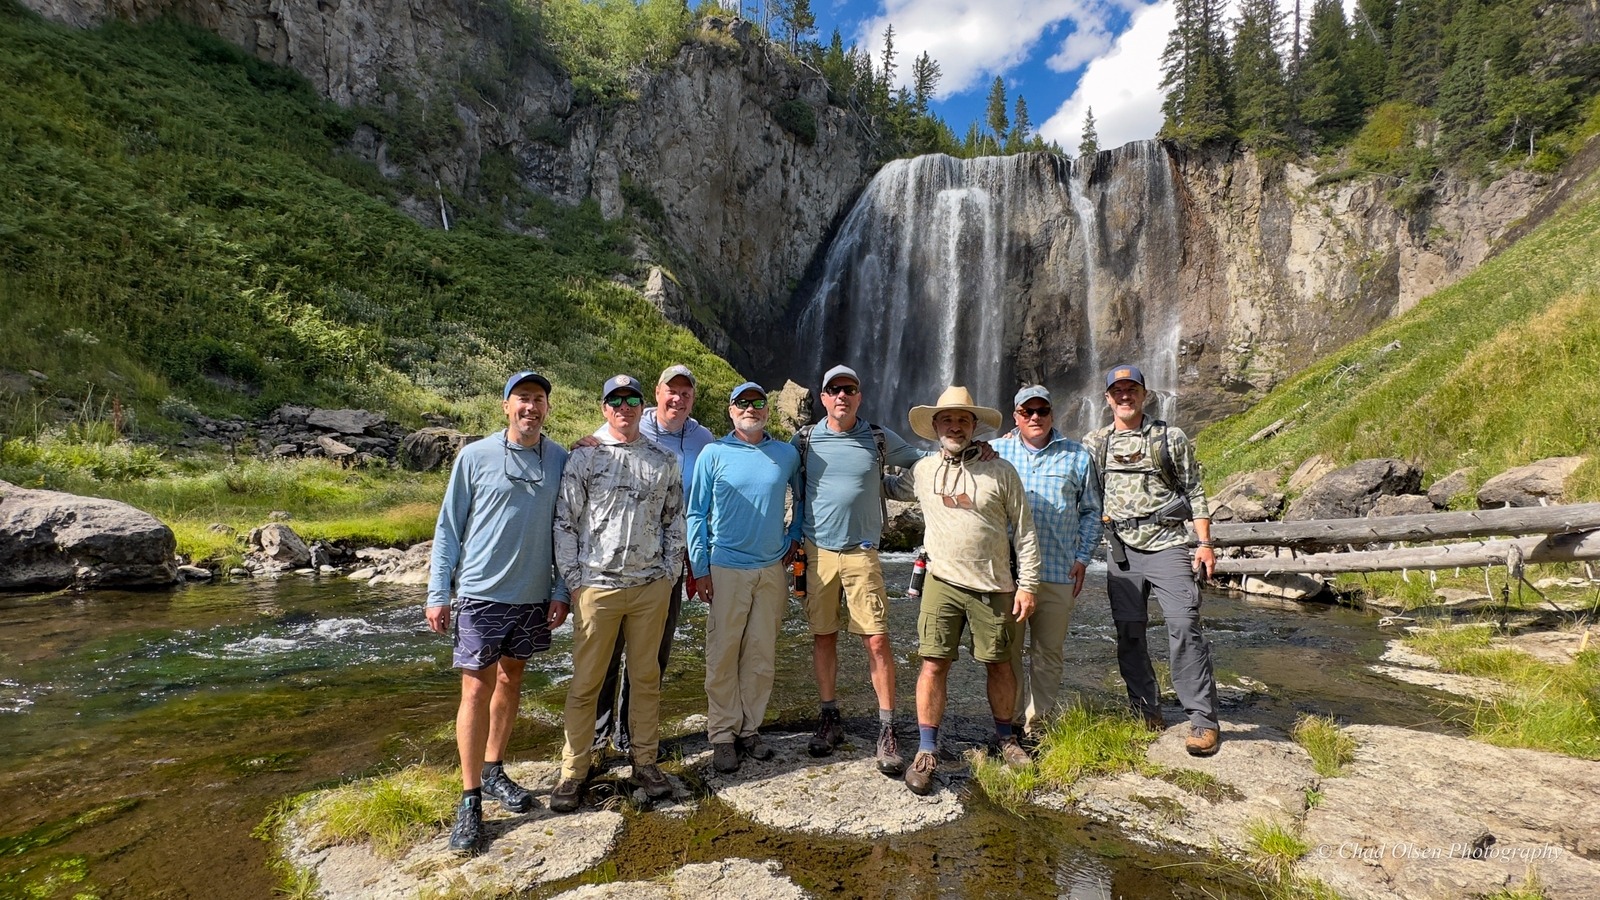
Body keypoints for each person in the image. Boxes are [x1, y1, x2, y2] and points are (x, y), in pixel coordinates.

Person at [426, 370, 570, 853]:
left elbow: (568, 530)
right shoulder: (474, 456)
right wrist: (437, 592)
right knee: (474, 688)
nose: (531, 407)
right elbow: (448, 527)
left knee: (511, 681)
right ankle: (469, 801)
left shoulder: (560, 458)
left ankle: (494, 770)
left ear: (548, 408)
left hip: (532, 596)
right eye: (522, 399)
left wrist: (562, 588)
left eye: (539, 399)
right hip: (479, 594)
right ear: (506, 406)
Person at [884, 386, 1041, 795]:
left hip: (994, 586)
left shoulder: (1001, 469)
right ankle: (926, 749)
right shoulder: (922, 470)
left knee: (999, 664)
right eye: (947, 419)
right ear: (934, 426)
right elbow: (886, 487)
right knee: (933, 664)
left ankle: (1007, 739)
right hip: (941, 583)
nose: (955, 426)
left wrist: (1028, 585)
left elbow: (1025, 531)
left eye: (963, 420)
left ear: (974, 427)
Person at [551, 374, 686, 811]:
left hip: (650, 588)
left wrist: (667, 575)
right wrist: (574, 580)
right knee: (587, 682)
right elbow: (565, 522)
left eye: (631, 399)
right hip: (597, 588)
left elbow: (674, 520)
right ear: (604, 406)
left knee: (646, 680)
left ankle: (644, 761)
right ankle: (574, 770)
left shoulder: (663, 459)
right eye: (615, 399)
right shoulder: (584, 457)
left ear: (642, 406)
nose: (623, 406)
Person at [790, 365, 926, 778]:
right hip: (817, 552)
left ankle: (887, 728)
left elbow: (922, 463)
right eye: (835, 390)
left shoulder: (880, 438)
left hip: (862, 553)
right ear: (824, 397)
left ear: (859, 396)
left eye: (849, 389)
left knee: (878, 640)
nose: (842, 396)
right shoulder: (804, 440)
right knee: (823, 635)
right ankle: (829, 717)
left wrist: (893, 486)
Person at [1082, 364, 1222, 757]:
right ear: (1108, 398)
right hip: (1121, 551)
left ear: (1144, 394)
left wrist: (1205, 543)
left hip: (1170, 546)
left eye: (1132, 389)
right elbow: (1072, 474)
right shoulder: (1097, 442)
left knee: (1184, 625)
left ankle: (1202, 719)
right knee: (1129, 632)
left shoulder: (1169, 437)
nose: (1124, 396)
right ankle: (1145, 710)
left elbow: (1195, 489)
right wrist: (1006, 443)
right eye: (1117, 391)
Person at [590, 365, 715, 757]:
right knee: (607, 653)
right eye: (670, 391)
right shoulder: (632, 420)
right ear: (657, 394)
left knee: (654, 652)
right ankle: (596, 736)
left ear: (693, 398)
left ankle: (632, 734)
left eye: (685, 393)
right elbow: (604, 438)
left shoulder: (703, 438)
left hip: (669, 562)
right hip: (614, 563)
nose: (677, 399)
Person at [686, 382, 802, 773]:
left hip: (771, 569)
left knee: (760, 653)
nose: (750, 408)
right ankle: (721, 735)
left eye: (758, 402)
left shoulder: (785, 454)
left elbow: (801, 497)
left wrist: (795, 534)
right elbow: (696, 512)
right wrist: (700, 567)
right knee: (722, 654)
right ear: (731, 411)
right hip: (726, 567)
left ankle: (750, 729)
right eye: (743, 403)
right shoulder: (713, 453)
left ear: (767, 411)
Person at [994, 386, 1103, 740]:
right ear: (1016, 417)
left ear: (1052, 414)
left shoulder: (1077, 456)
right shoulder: (995, 451)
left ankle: (1037, 724)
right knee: (1007, 652)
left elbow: (1091, 511)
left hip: (1058, 569)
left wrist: (1083, 557)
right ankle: (1007, 724)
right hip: (1009, 573)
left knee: (1048, 653)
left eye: (1042, 411)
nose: (1035, 417)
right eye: (1028, 412)